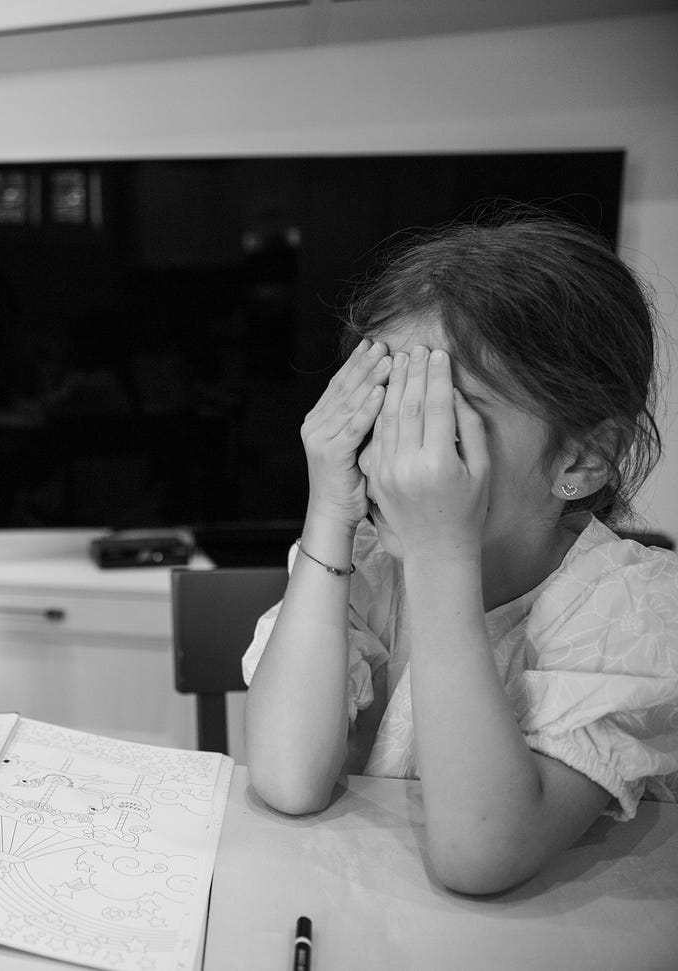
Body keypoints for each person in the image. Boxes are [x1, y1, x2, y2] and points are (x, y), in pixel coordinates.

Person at [241, 211, 678, 895]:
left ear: (583, 458)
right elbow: (288, 777)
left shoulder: (632, 609)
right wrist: (327, 510)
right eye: (382, 409)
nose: (391, 462)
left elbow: (482, 855)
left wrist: (441, 555)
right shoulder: (366, 563)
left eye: (439, 421)